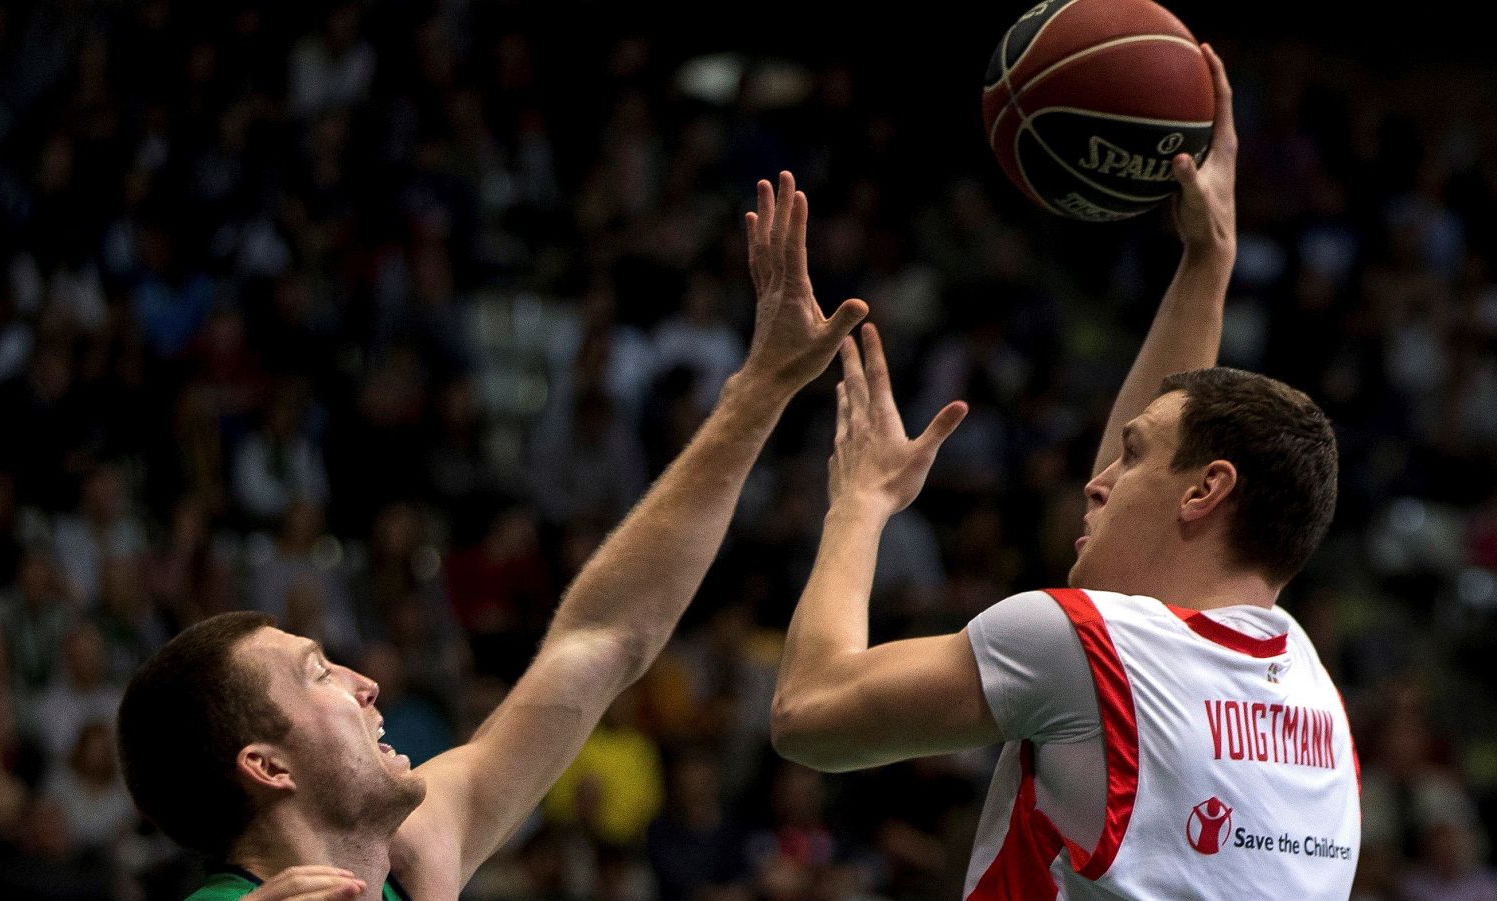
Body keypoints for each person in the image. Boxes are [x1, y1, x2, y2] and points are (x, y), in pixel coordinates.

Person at [116, 172, 868, 901]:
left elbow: (601, 635)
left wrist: (758, 391)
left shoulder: (411, 860)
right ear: (267, 765)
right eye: (320, 673)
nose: (366, 681)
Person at [769, 46, 1362, 899]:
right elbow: (1155, 513)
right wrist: (1207, 262)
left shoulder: (1081, 647)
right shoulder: (1314, 697)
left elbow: (808, 712)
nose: (1096, 479)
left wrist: (859, 506)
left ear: (1206, 490)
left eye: (1131, 456)